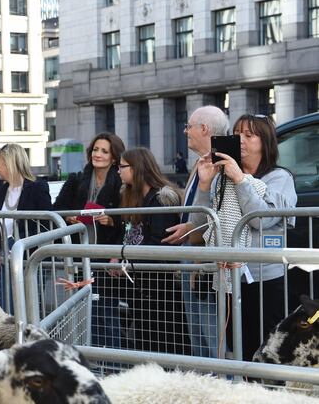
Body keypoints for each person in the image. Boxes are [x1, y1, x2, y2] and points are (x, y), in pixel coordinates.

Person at [193, 114, 297, 361]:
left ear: (265, 142)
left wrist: (241, 179)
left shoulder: (279, 177)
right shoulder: (222, 178)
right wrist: (205, 185)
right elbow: (200, 225)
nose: (241, 139)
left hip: (264, 279)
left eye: (249, 135)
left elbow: (261, 220)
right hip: (229, 276)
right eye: (237, 133)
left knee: (264, 349)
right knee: (236, 349)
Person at [162, 105, 229, 358]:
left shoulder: (221, 165)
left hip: (205, 257)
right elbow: (196, 205)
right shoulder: (201, 163)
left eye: (189, 126)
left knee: (211, 332)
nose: (185, 131)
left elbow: (213, 211)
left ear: (204, 129)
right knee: (198, 333)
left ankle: (221, 383)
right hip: (191, 253)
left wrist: (193, 244)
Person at [52, 132, 125, 348]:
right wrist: (69, 216)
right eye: (95, 149)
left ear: (114, 157)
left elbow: (127, 219)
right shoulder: (77, 179)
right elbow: (56, 208)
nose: (98, 154)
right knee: (83, 312)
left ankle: (113, 364)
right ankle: (88, 358)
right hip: (80, 254)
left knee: (107, 313)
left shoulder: (120, 182)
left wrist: (111, 220)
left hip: (105, 255)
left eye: (104, 151)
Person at [115, 147, 189, 355]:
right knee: (145, 341)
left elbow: (160, 243)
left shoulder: (161, 199)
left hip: (160, 285)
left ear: (137, 168)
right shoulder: (132, 196)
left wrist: (128, 262)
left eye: (122, 166)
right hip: (140, 283)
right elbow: (130, 235)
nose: (118, 170)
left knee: (164, 341)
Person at [0, 143, 52, 243]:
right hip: (0, 255)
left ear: (9, 164)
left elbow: (47, 226)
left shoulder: (37, 188)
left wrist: (18, 241)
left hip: (28, 255)